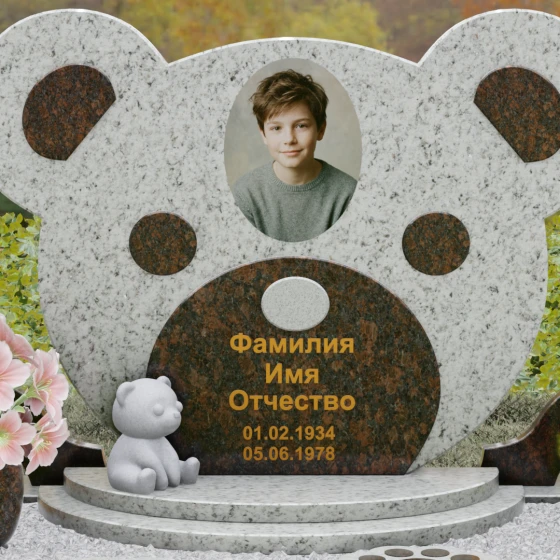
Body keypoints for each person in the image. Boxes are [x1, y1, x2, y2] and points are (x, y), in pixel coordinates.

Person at [232, 69, 357, 242]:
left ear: (321, 129)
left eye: (301, 126)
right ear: (263, 135)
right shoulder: (245, 194)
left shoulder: (347, 193)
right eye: (276, 128)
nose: (289, 139)